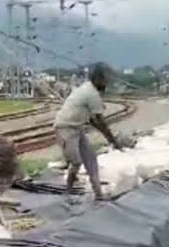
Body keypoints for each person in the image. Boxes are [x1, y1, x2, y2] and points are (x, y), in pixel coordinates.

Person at [53, 62, 125, 200]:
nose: (108, 83)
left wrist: (110, 138)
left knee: (91, 160)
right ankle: (67, 193)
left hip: (77, 128)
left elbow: (93, 120)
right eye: (107, 79)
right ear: (100, 79)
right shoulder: (91, 94)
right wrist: (113, 140)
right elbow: (100, 122)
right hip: (65, 128)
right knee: (76, 162)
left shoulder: (88, 89)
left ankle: (98, 194)